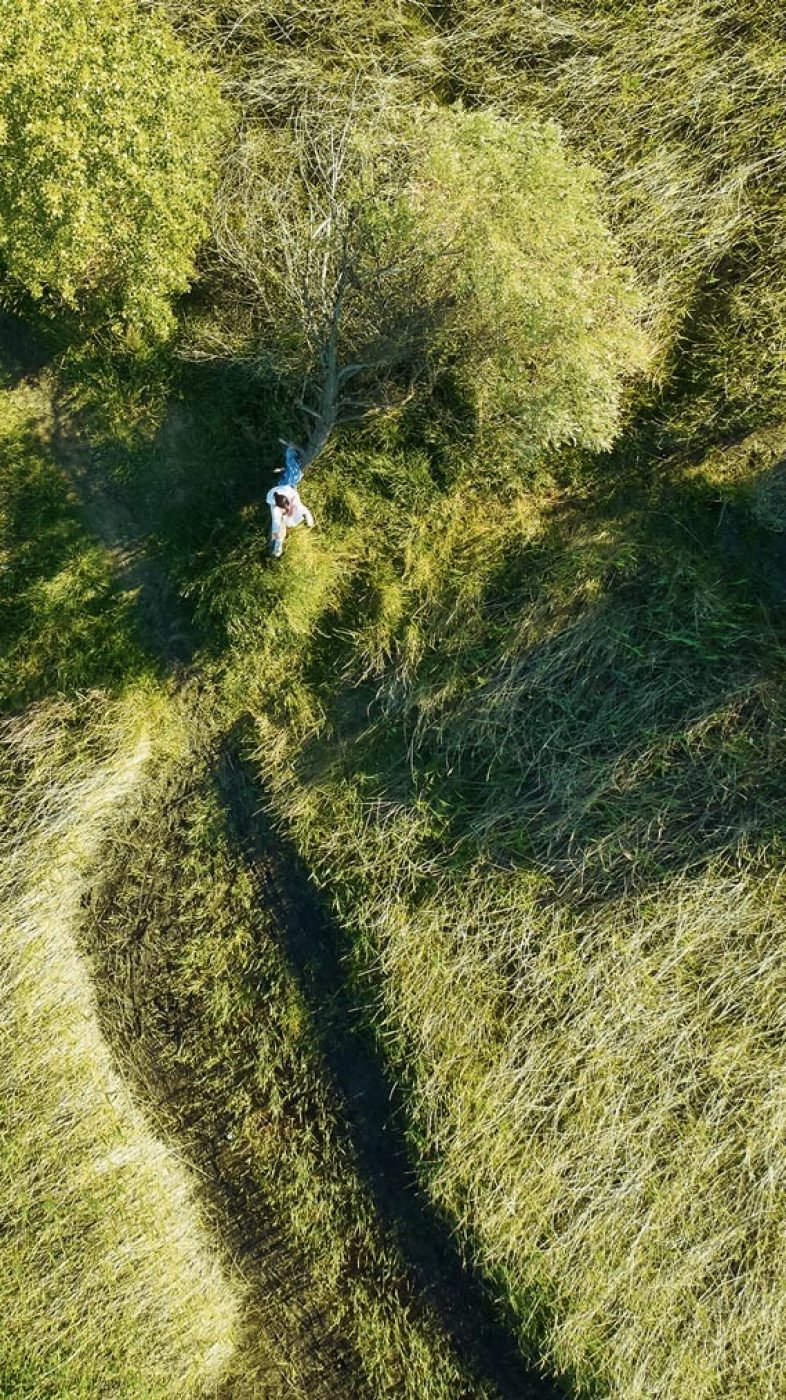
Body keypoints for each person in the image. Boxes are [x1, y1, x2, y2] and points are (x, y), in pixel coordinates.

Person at [266, 444, 314, 558]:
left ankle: (291, 452)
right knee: (278, 523)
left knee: (293, 472)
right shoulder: (273, 500)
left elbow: (304, 509)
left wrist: (309, 520)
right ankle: (278, 544)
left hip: (287, 488)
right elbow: (276, 520)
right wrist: (277, 534)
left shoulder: (292, 494)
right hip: (279, 498)